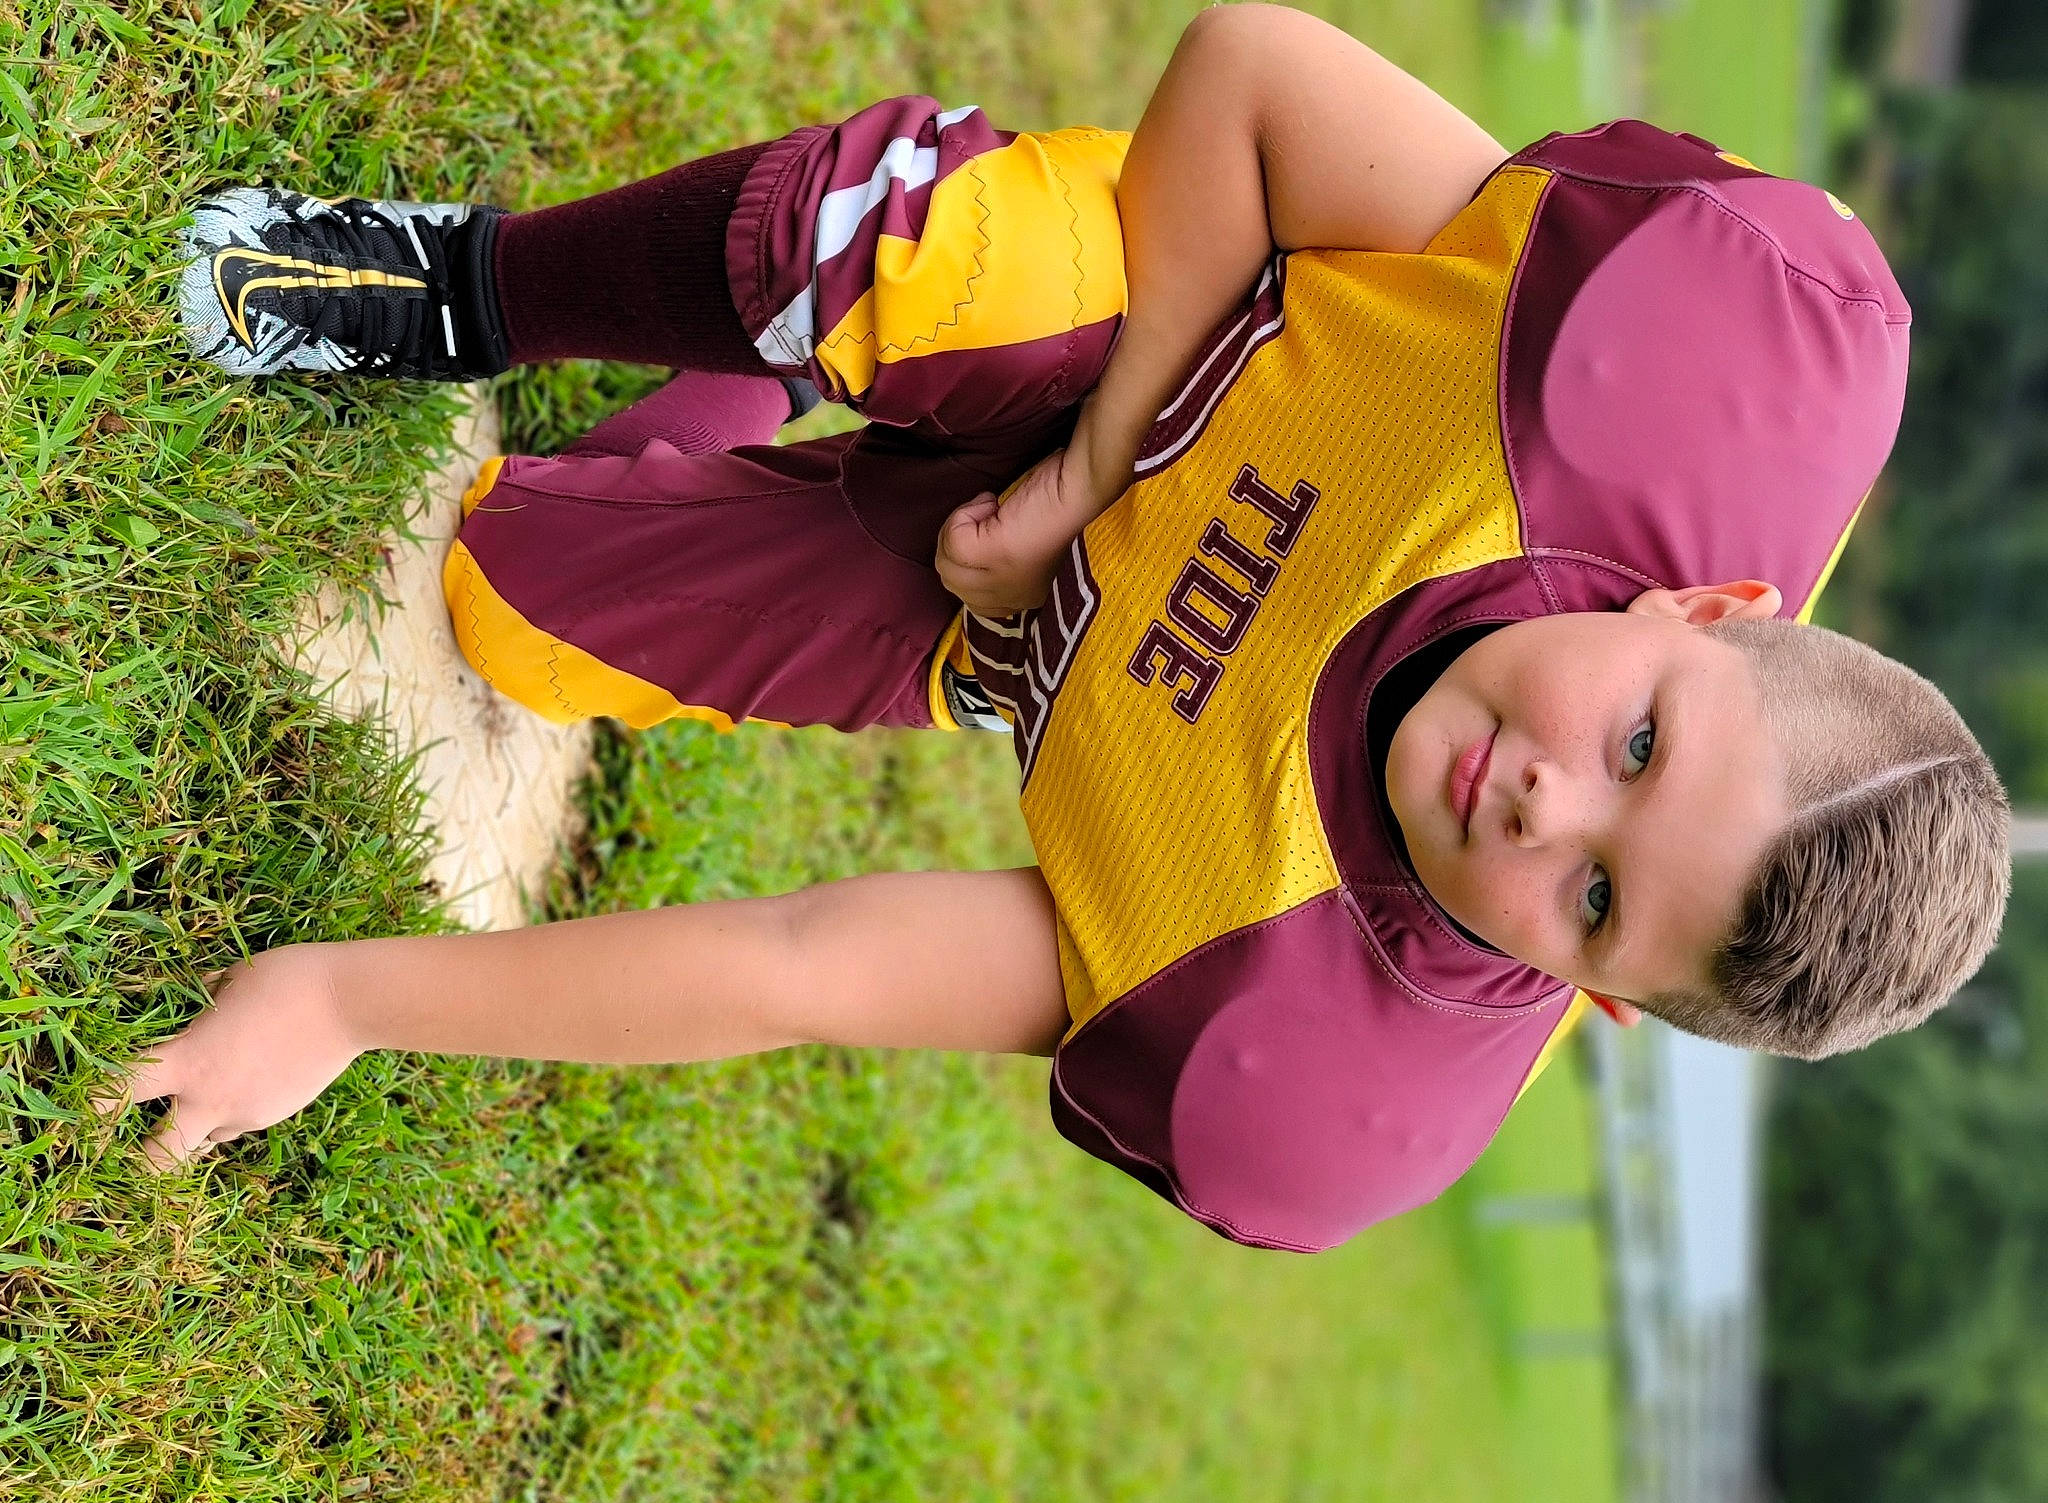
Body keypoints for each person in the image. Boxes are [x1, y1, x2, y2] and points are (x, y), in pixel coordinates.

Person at [101, 4, 2010, 1252]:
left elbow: (805, 965)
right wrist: (1098, 466)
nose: (1542, 810)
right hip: (1156, 312)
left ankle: (751, 415)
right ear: (1706, 603)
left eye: (1597, 901)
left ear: (1586, 1001)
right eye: (1645, 744)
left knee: (502, 612)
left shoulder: (1319, 1033)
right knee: (882, 261)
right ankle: (465, 285)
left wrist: (344, 1001)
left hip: (1013, 636)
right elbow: (1250, 73)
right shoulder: (1621, 383)